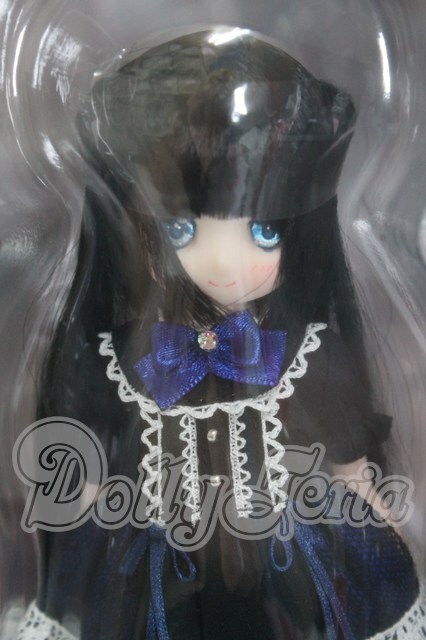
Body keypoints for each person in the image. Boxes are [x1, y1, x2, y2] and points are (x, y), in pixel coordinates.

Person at [17, 28, 424, 640]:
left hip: (294, 568)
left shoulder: (309, 356)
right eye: (182, 230)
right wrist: (78, 546)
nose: (224, 263)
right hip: (154, 572)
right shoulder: (117, 361)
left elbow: (350, 472)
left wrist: (377, 513)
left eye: (264, 230)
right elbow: (89, 486)